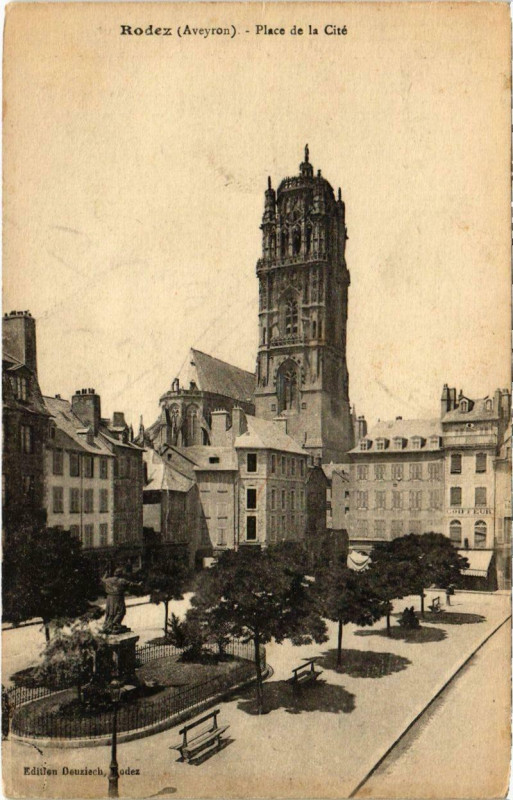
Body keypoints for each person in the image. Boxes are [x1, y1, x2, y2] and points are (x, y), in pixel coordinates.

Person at [101, 568, 142, 634]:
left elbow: (102, 580)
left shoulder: (108, 580)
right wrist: (139, 584)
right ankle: (115, 623)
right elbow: (131, 584)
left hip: (109, 598)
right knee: (121, 611)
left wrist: (105, 574)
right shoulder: (121, 580)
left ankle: (108, 625)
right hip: (118, 597)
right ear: (120, 574)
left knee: (111, 612)